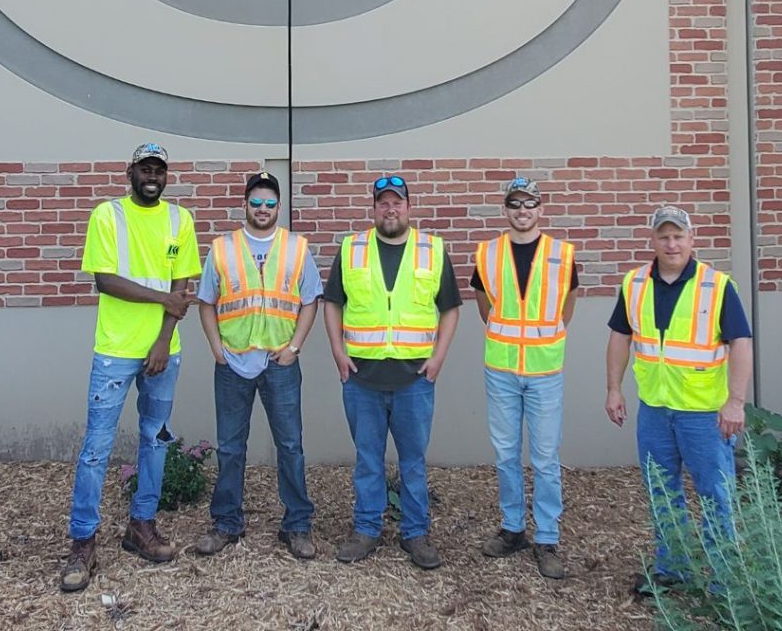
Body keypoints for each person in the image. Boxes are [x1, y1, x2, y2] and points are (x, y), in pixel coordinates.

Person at [60, 143, 201, 593]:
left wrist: (163, 340)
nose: (152, 175)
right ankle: (83, 540)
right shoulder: (108, 215)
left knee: (156, 439)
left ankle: (141, 526)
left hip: (164, 349)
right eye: (145, 168)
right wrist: (162, 300)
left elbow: (182, 287)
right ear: (131, 173)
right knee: (97, 447)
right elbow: (105, 280)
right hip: (115, 350)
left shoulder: (181, 220)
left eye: (159, 169)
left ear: (166, 175)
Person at [604, 205, 753, 592]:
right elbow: (621, 337)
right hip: (654, 409)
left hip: (704, 414)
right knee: (662, 491)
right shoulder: (634, 283)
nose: (671, 243)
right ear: (652, 240)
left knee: (715, 494)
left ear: (692, 238)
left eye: (678, 235)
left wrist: (736, 401)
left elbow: (740, 342)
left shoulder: (717, 285)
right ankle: (674, 569)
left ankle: (724, 581)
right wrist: (614, 388)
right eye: (664, 236)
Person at [323, 174, 461, 570]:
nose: (390, 208)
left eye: (396, 202)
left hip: (414, 379)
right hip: (362, 377)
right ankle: (366, 529)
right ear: (374, 208)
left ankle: (415, 533)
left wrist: (439, 358)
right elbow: (333, 302)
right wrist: (336, 349)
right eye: (383, 202)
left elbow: (451, 308)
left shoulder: (431, 250)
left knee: (413, 461)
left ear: (408, 207)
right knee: (367, 458)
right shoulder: (352, 249)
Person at [195, 171, 322, 559]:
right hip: (233, 362)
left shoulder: (297, 247)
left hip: (280, 362)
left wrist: (295, 347)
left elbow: (310, 299)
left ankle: (297, 525)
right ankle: (227, 523)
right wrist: (217, 349)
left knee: (291, 445)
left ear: (279, 208)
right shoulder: (222, 248)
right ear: (245, 205)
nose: (263, 209)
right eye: (256, 202)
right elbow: (206, 301)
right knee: (231, 447)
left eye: (270, 203)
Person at [471, 177, 579, 580]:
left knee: (546, 458)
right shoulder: (488, 253)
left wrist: (540, 337)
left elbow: (567, 306)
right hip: (500, 368)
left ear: (540, 208)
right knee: (505, 454)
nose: (522, 211)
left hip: (544, 370)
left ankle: (547, 537)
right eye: (515, 204)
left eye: (529, 204)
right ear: (506, 210)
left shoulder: (562, 254)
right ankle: (513, 529)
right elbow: (485, 306)